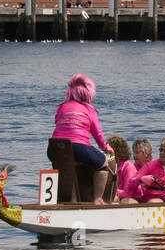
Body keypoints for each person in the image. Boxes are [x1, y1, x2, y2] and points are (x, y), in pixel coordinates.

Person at [50, 73, 113, 204]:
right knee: (103, 164)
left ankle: (73, 199)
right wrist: (105, 147)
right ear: (87, 93)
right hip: (78, 147)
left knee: (70, 166)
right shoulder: (89, 109)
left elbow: (58, 123)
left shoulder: (61, 107)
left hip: (54, 148)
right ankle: (97, 200)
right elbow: (98, 134)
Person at [108, 135, 135, 203]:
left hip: (133, 198)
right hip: (119, 196)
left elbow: (127, 193)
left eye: (108, 152)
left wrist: (110, 191)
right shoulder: (112, 165)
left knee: (113, 198)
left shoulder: (129, 168)